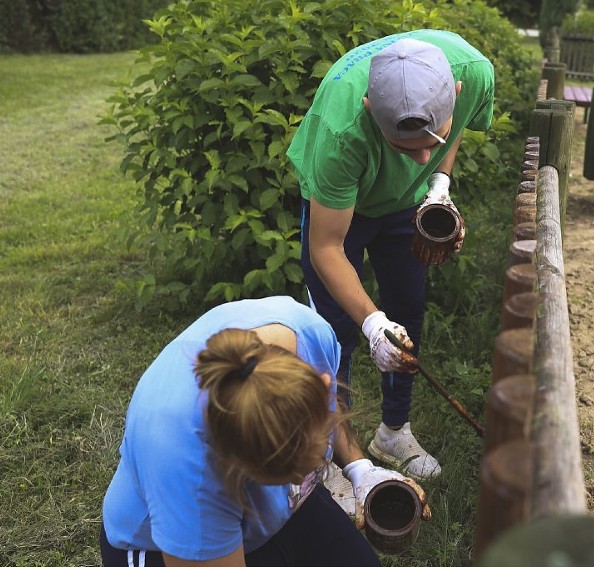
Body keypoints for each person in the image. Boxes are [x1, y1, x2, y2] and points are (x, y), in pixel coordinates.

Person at [286, 29, 495, 482]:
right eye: (405, 147)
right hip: (342, 206)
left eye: (431, 144)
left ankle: (393, 431)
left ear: (455, 93)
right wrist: (371, 323)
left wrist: (439, 183)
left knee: (407, 309)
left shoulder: (474, 74)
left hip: (405, 204)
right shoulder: (341, 129)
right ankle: (331, 456)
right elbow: (327, 247)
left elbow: (452, 130)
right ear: (369, 111)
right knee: (333, 333)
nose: (421, 158)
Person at [100, 296, 429, 567]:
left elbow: (329, 410)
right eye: (281, 476)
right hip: (159, 547)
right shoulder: (188, 465)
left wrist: (360, 468)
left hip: (273, 517)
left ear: (320, 384)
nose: (308, 474)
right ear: (235, 462)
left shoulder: (309, 335)